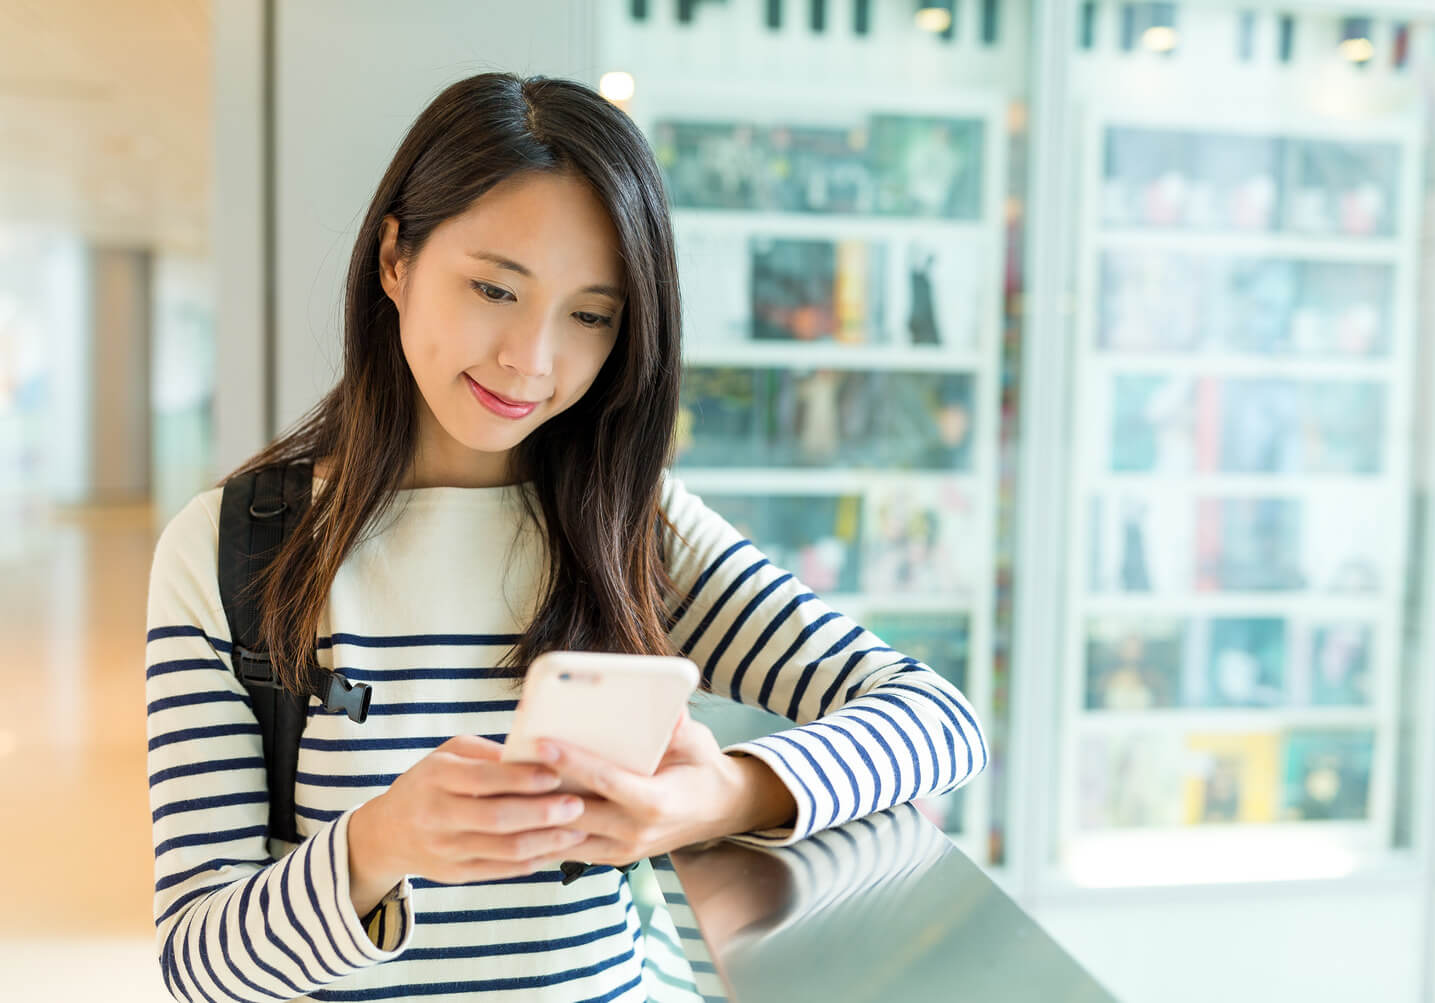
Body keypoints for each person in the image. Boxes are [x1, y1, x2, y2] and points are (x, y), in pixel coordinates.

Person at [145, 72, 988, 1003]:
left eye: (590, 315)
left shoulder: (635, 528)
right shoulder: (234, 549)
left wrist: (715, 797)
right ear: (395, 259)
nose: (531, 359)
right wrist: (379, 844)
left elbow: (939, 721)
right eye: (494, 288)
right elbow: (199, 962)